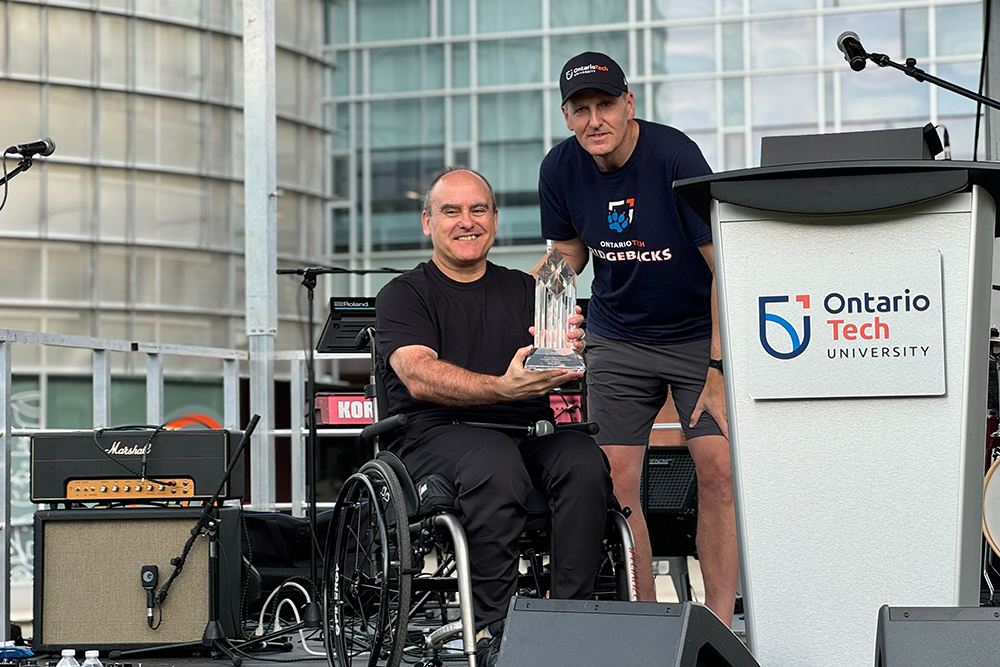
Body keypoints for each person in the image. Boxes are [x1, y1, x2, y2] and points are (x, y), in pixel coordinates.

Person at [374, 167, 614, 660]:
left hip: (525, 430)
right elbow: (418, 374)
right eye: (451, 211)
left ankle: (567, 625)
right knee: (493, 461)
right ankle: (493, 632)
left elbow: (559, 367)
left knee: (584, 460)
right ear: (427, 223)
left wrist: (569, 352)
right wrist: (503, 386)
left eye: (478, 209)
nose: (467, 221)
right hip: (433, 434)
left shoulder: (527, 292)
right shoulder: (404, 293)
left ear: (495, 220)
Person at [537, 51, 738, 624]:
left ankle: (720, 624)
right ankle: (647, 622)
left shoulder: (674, 155)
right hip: (617, 338)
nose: (594, 120)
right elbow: (568, 254)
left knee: (717, 472)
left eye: (605, 105)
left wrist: (720, 370)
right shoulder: (559, 168)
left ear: (629, 104)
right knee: (616, 482)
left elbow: (722, 263)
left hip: (698, 337)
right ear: (566, 116)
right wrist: (515, 300)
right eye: (581, 110)